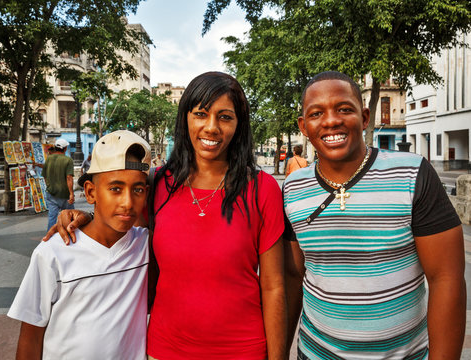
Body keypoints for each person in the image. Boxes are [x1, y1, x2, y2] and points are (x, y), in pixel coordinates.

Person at [45, 72, 287, 360]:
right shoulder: (158, 184)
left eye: (225, 117)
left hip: (243, 349)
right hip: (166, 349)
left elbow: (273, 286)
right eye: (201, 114)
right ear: (185, 118)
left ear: (239, 124)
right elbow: (117, 221)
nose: (211, 127)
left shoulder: (262, 189)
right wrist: (82, 216)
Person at [283, 71, 466, 359]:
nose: (331, 120)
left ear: (365, 117)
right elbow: (293, 276)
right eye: (317, 113)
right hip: (315, 352)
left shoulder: (413, 173)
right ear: (304, 127)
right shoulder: (293, 188)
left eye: (344, 109)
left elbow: (446, 278)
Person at [8, 130, 151, 359]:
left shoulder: (145, 247)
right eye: (115, 189)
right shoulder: (53, 253)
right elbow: (31, 337)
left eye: (138, 190)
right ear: (91, 192)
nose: (127, 202)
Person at [42, 138, 74, 231]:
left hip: (51, 193)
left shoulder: (49, 159)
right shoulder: (68, 160)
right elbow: (69, 178)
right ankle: (70, 235)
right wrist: (71, 193)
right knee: (70, 216)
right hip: (65, 194)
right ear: (64, 149)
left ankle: (50, 238)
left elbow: (45, 176)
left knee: (52, 218)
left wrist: (48, 186)